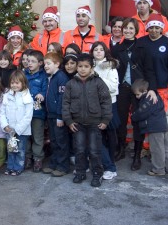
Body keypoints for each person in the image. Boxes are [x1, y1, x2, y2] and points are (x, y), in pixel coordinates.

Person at [112, 17, 156, 170]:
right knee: (121, 120)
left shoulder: (143, 47)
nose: (128, 31)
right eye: (126, 28)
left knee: (138, 121)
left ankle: (137, 154)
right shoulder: (117, 48)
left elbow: (149, 69)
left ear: (136, 30)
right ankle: (121, 149)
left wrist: (152, 89)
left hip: (138, 89)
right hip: (122, 88)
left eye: (131, 28)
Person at [62, 53, 112, 187]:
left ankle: (97, 174)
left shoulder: (98, 82)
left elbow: (106, 101)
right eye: (80, 66)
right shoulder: (71, 84)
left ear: (91, 67)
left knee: (95, 151)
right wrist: (69, 121)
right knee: (79, 150)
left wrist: (106, 119)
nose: (82, 69)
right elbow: (65, 103)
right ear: (76, 67)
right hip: (77, 124)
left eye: (86, 66)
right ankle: (80, 172)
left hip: (95, 123)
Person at [131, 79, 168, 176]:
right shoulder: (156, 97)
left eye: (138, 94)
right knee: (164, 149)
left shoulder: (147, 100)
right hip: (162, 126)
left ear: (145, 91)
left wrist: (133, 116)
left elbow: (141, 113)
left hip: (154, 128)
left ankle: (158, 169)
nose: (136, 97)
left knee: (156, 150)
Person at [137, 14, 168, 113]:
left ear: (161, 28)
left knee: (159, 115)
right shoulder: (140, 42)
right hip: (142, 86)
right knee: (142, 114)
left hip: (161, 86)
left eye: (157, 28)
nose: (154, 30)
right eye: (151, 27)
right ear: (147, 28)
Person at [90, 41, 120, 180]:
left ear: (105, 51)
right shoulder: (88, 65)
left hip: (108, 104)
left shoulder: (111, 66)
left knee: (110, 136)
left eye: (101, 49)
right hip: (92, 106)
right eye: (95, 49)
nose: (98, 52)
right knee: (96, 138)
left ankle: (110, 166)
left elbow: (114, 87)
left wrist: (97, 77)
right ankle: (100, 164)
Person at [0, 70, 34, 176]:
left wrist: (17, 129)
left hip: (21, 131)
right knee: (10, 149)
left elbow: (28, 116)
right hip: (9, 129)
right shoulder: (6, 96)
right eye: (12, 83)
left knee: (20, 150)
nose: (14, 85)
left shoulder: (27, 97)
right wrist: (5, 125)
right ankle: (10, 167)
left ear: (23, 83)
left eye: (17, 83)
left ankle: (18, 167)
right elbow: (2, 112)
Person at [42, 52, 70, 177]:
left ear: (57, 64)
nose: (45, 66)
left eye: (48, 63)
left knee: (61, 141)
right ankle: (54, 163)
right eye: (44, 64)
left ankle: (63, 166)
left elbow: (62, 98)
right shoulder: (51, 77)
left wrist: (60, 116)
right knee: (53, 141)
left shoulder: (61, 77)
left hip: (58, 116)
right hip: (51, 114)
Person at [24, 50, 48, 172]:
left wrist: (42, 95)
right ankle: (27, 157)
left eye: (33, 61)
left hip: (37, 112)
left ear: (40, 63)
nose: (30, 63)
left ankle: (38, 158)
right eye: (28, 61)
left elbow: (45, 90)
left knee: (37, 137)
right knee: (26, 135)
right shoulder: (24, 75)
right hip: (24, 111)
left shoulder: (43, 76)